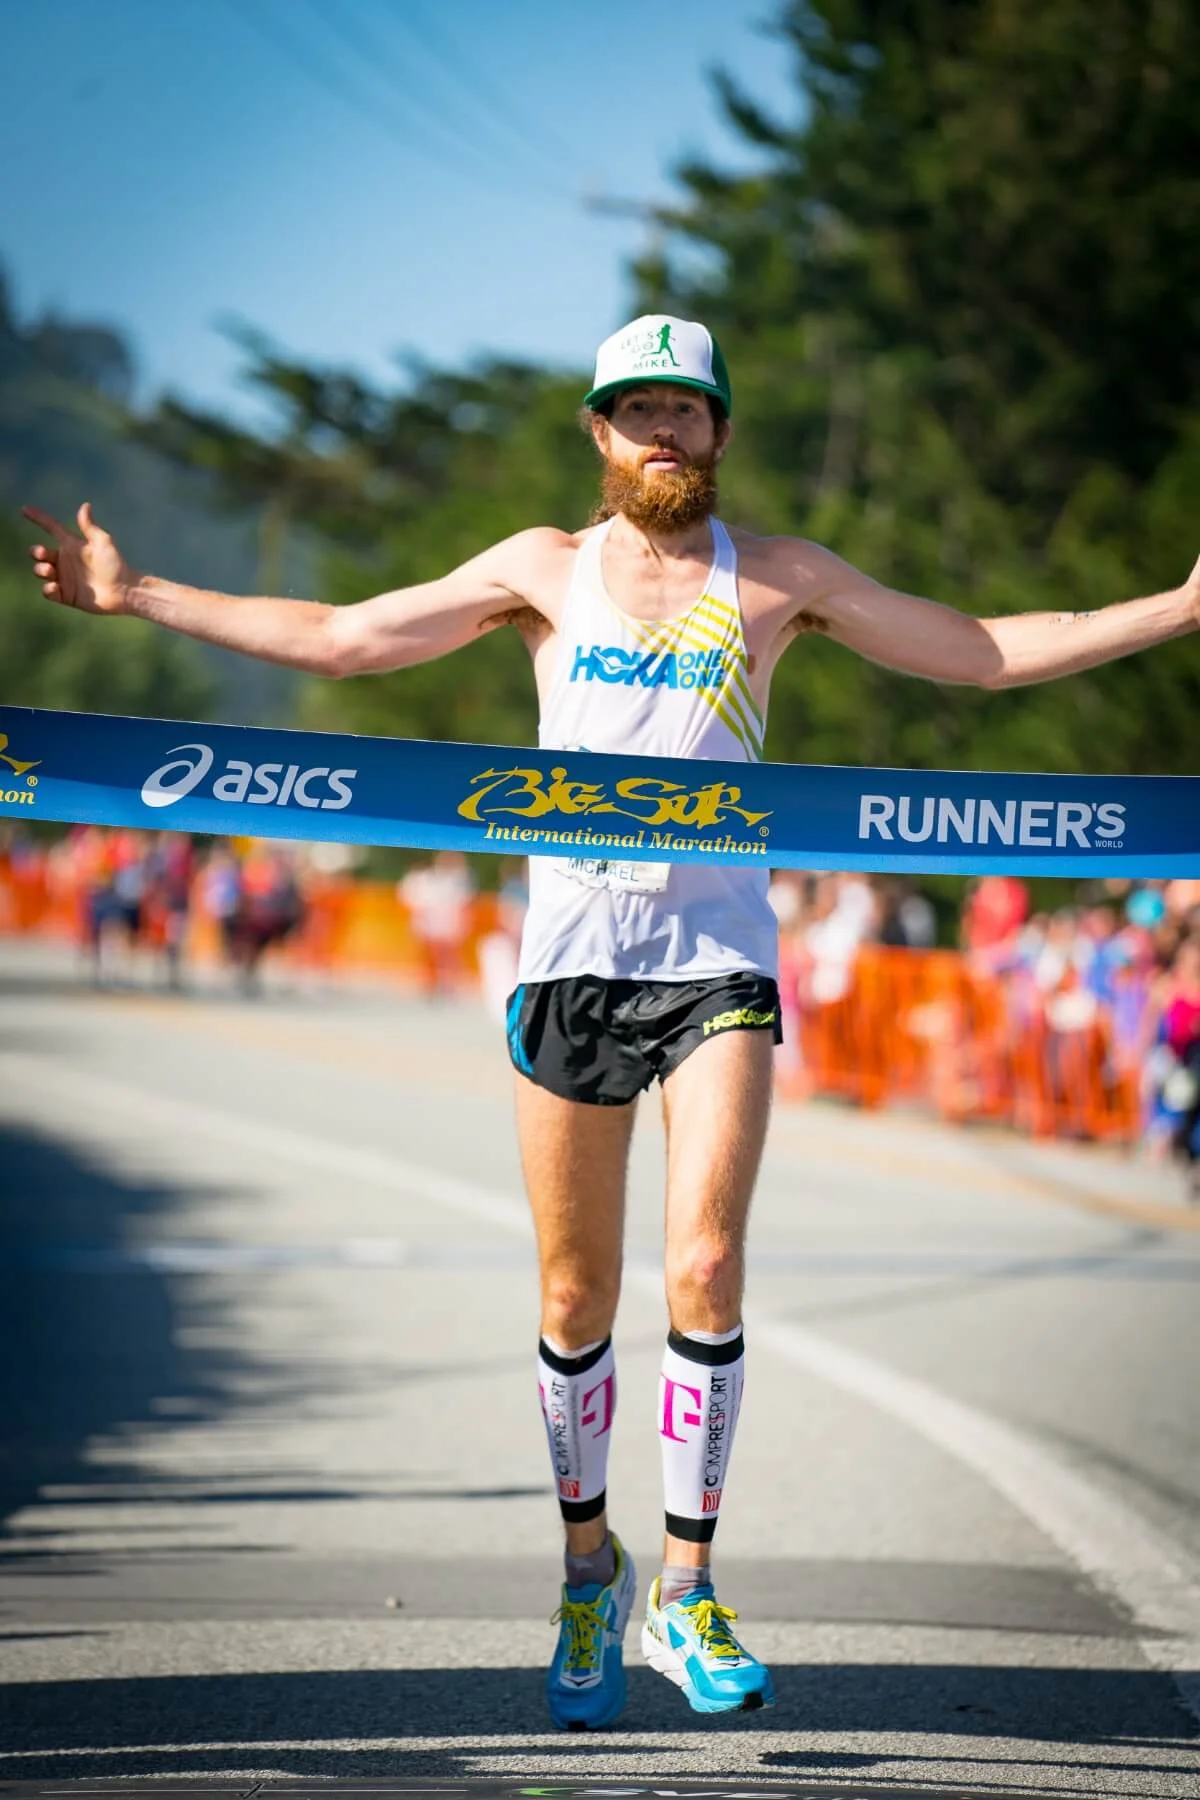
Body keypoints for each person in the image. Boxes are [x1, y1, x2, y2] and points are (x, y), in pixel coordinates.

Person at [22, 311, 1200, 1729]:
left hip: (717, 964)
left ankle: (688, 1590)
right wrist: (140, 593)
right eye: (637, 412)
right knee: (575, 1301)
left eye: (685, 410)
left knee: (704, 1262)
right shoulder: (543, 569)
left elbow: (985, 651)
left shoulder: (781, 577)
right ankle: (592, 1571)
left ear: (719, 432)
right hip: (572, 966)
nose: (663, 432)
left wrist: (1182, 606)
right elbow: (342, 639)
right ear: (601, 435)